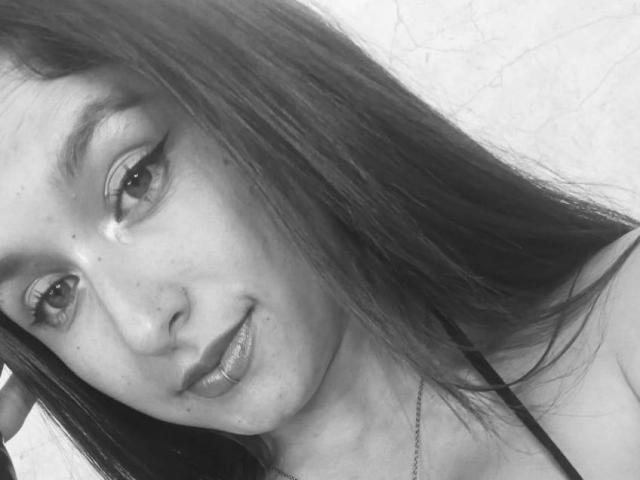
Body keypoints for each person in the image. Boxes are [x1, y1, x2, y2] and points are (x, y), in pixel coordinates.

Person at [0, 0, 638, 479]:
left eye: (134, 181)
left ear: (248, 90)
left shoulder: (621, 338)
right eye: (54, 295)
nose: (142, 325)